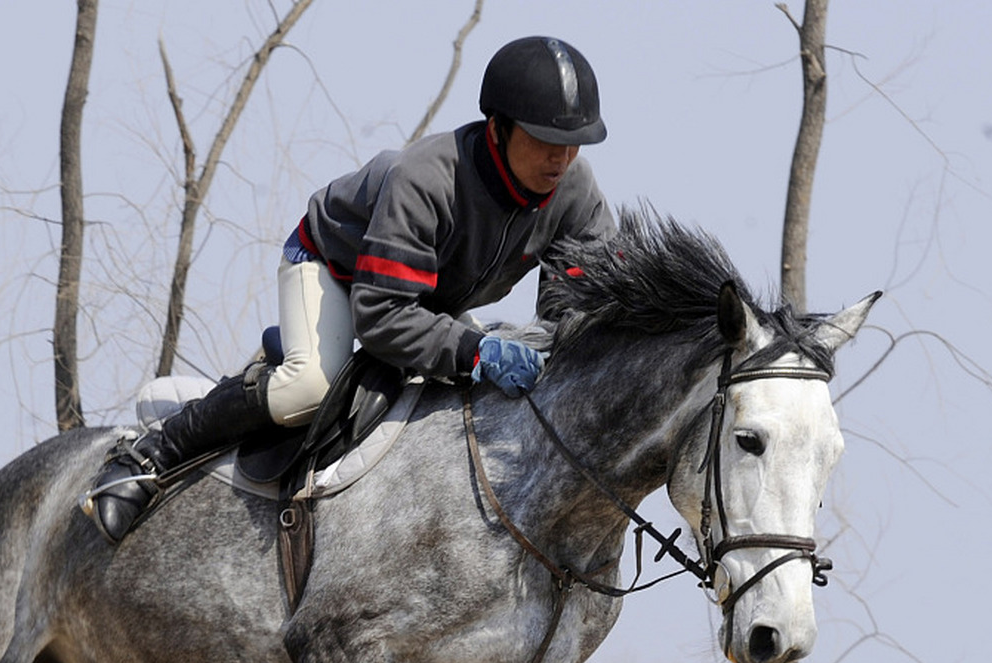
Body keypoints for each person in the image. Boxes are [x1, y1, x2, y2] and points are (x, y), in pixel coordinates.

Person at [84, 34, 616, 544]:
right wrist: (476, 349)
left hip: (427, 299)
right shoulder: (426, 179)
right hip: (333, 270)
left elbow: (579, 308)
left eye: (572, 144)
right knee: (311, 386)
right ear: (497, 127)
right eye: (546, 140)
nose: (561, 159)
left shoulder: (575, 191)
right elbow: (382, 317)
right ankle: (155, 452)